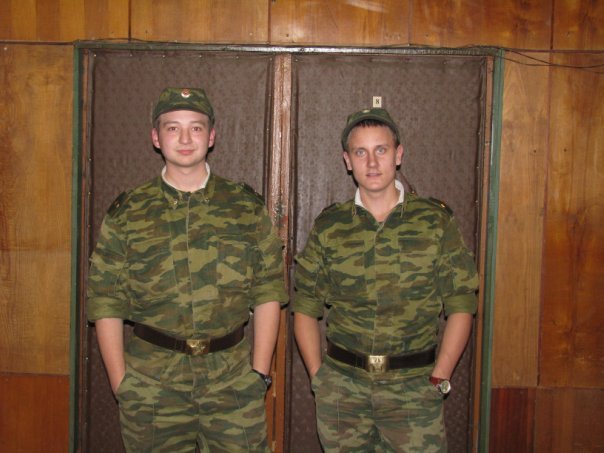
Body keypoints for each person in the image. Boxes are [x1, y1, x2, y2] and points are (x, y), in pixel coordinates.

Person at [87, 87, 287, 452]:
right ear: (155, 137)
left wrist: (259, 375)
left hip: (231, 382)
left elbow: (268, 290)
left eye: (196, 128)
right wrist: (122, 385)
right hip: (152, 384)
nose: (184, 139)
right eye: (172, 128)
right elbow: (105, 301)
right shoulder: (128, 212)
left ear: (211, 137)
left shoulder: (243, 207)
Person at [292, 107, 479, 452]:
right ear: (347, 161)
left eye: (381, 149)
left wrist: (440, 376)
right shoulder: (330, 226)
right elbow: (305, 305)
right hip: (344, 391)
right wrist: (320, 379)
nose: (372, 162)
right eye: (360, 152)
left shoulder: (435, 222)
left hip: (414, 390)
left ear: (399, 154)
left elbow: (462, 303)